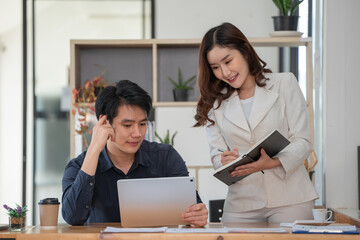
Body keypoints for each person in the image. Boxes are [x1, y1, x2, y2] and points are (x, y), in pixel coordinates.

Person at [194, 22, 318, 223]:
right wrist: (224, 160)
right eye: (216, 67)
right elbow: (216, 154)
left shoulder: (284, 83)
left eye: (228, 61)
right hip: (242, 202)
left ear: (244, 51)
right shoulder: (215, 103)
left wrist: (274, 162)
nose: (225, 72)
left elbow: (302, 141)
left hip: (290, 197)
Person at [62, 80, 208, 226]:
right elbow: (73, 217)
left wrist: (197, 215)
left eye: (142, 124)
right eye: (127, 125)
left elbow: (193, 209)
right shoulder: (79, 166)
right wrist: (93, 150)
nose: (138, 133)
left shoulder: (166, 157)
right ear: (104, 122)